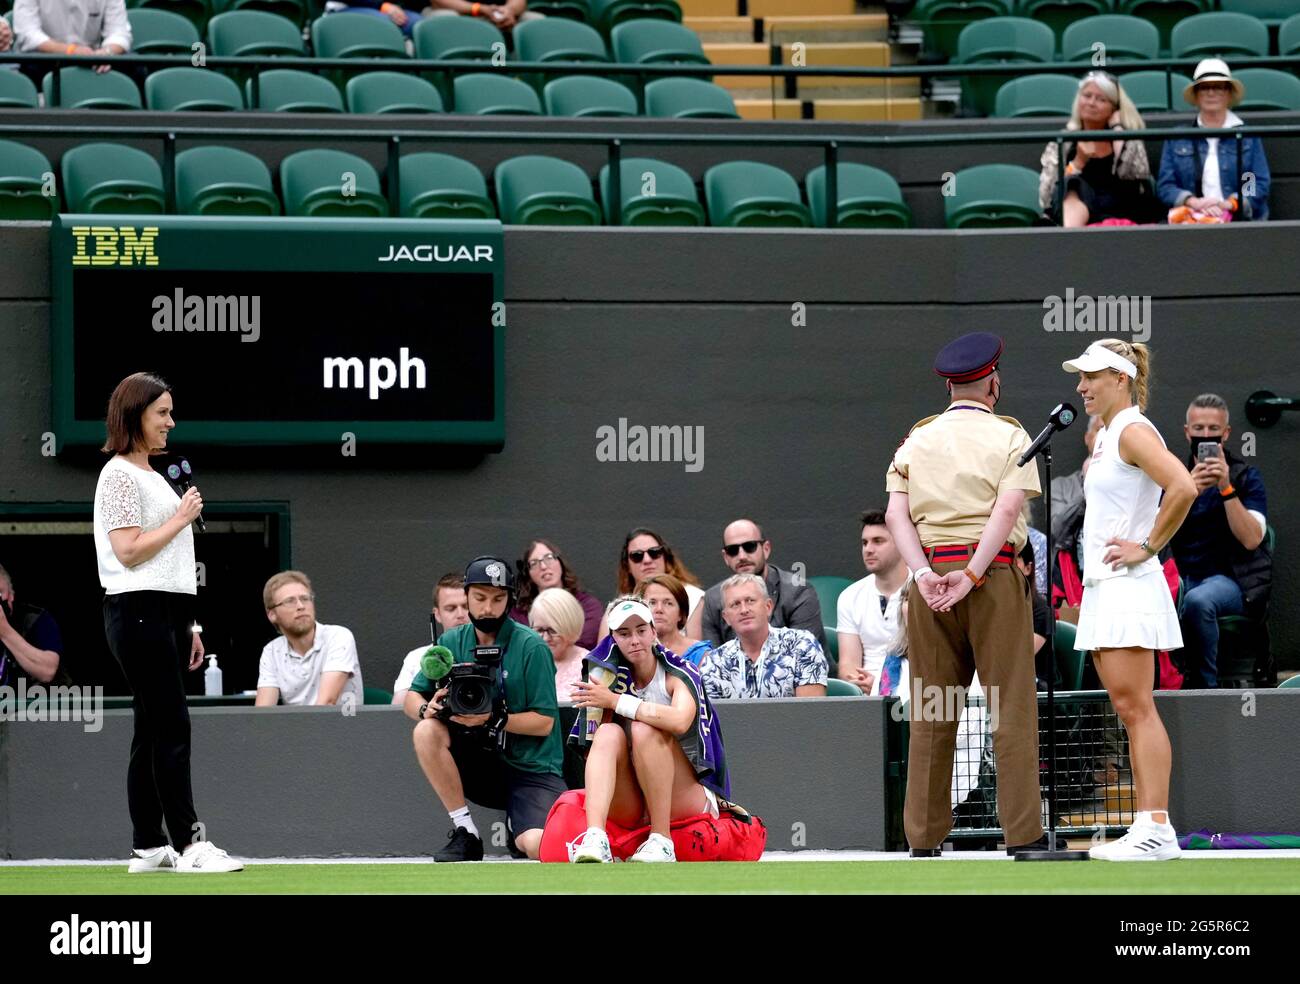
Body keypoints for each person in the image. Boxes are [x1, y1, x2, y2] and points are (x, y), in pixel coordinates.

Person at [884, 331, 1046, 857]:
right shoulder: (1012, 436)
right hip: (992, 576)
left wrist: (924, 574)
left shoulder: (917, 438)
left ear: (950, 385)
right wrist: (973, 575)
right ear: (993, 383)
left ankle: (923, 840)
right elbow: (1005, 512)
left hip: (929, 585)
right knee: (1010, 711)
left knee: (933, 713)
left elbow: (895, 516)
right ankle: (1024, 837)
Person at [94, 372, 242, 874]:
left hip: (166, 612)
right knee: (172, 724)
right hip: (137, 609)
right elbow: (129, 551)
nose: (171, 423)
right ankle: (190, 844)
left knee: (151, 728)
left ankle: (147, 845)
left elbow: (171, 560)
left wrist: (191, 625)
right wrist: (180, 518)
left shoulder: (155, 474)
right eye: (162, 413)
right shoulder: (117, 474)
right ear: (136, 415)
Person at [1062, 338, 1196, 860]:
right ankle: (1149, 826)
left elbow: (1182, 486)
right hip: (1108, 587)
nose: (1081, 386)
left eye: (1090, 376)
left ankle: (1156, 829)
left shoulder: (1133, 431)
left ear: (1119, 379)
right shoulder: (1111, 434)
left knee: (1137, 708)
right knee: (1129, 707)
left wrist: (1147, 547)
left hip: (1127, 586)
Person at [406, 556, 565, 862]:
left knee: (540, 846)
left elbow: (544, 722)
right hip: (478, 762)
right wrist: (429, 708)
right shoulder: (450, 641)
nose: (488, 608)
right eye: (479, 598)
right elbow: (413, 697)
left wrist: (493, 718)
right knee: (426, 730)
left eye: (498, 599)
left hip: (530, 767)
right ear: (466, 598)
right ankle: (466, 831)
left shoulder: (532, 646)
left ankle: (520, 829)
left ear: (510, 600)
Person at [567, 597, 730, 863]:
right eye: (624, 633)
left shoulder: (679, 672)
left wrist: (616, 701)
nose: (635, 640)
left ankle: (662, 841)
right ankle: (595, 837)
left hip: (686, 796)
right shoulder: (602, 674)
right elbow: (590, 750)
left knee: (645, 730)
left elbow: (679, 721)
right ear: (613, 638)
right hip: (635, 799)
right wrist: (607, 704)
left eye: (641, 630)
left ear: (654, 632)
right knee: (607, 734)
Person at [1170, 393, 1270, 689]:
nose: (1205, 436)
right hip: (1181, 576)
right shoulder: (1174, 476)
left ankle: (1205, 689)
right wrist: (1189, 492)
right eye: (1198, 429)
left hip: (1232, 581)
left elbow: (1252, 539)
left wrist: (1226, 488)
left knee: (1198, 601)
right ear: (1186, 431)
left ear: (1225, 434)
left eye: (1213, 430)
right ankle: (1166, 684)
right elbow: (1156, 530)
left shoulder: (1246, 477)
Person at [1038, 71, 1160, 227]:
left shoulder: (1128, 139)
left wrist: (1117, 130)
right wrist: (1078, 163)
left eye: (1101, 99)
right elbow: (1047, 195)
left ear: (1114, 108)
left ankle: (1069, 239)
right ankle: (1071, 234)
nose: (1091, 103)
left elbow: (1133, 176)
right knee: (1073, 183)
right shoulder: (1064, 141)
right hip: (1076, 208)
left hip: (1119, 208)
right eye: (1087, 96)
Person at [1158, 59, 1271, 223]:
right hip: (1189, 222)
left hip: (1239, 222)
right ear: (1196, 95)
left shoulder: (1246, 136)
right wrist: (1194, 202)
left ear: (1229, 94)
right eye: (1204, 88)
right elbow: (1166, 186)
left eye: (1218, 87)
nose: (1211, 93)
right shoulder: (1178, 137)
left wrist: (1229, 204)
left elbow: (1255, 182)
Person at [699, 519, 826, 650]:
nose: (741, 556)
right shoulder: (714, 598)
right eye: (733, 550)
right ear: (726, 557)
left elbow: (803, 654)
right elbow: (713, 659)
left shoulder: (798, 591)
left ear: (766, 549)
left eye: (750, 547)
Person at [699, 574, 827, 699]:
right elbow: (713, 719)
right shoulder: (714, 663)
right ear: (726, 617)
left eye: (750, 601)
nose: (744, 610)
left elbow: (810, 714)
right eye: (735, 604)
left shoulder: (802, 645)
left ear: (768, 607)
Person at [255, 571, 363, 708]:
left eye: (305, 598)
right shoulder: (271, 651)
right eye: (290, 601)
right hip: (297, 728)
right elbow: (263, 712)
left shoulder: (338, 636)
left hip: (342, 726)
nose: (301, 606)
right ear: (272, 615)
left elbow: (326, 704)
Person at [836, 509, 907, 695]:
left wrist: (883, 685)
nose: (868, 549)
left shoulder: (923, 589)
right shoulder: (849, 596)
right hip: (865, 698)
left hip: (914, 690)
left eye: (878, 541)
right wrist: (861, 682)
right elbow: (847, 665)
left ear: (901, 542)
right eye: (864, 542)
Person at [607, 527, 705, 636]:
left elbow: (697, 648)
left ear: (665, 557)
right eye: (637, 555)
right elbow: (603, 651)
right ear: (627, 565)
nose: (647, 560)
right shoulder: (617, 607)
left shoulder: (693, 597)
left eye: (654, 552)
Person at [393, 572, 470, 705]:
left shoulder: (491, 653)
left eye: (466, 607)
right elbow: (397, 708)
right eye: (450, 608)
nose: (460, 614)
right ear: (437, 614)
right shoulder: (416, 657)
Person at [511, 538, 602, 650]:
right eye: (534, 563)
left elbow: (585, 640)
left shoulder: (588, 605)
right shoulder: (519, 615)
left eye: (549, 558)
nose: (543, 566)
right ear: (528, 573)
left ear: (560, 562)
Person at [13, 0, 131, 75]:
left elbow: (119, 32)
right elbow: (27, 33)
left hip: (93, 59)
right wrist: (70, 50)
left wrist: (106, 53)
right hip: (45, 59)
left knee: (135, 67)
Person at [0, 562, 66, 689]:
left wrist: (5, 632)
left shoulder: (36, 619)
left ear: (11, 594)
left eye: (0, 593)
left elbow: (48, 671)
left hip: (41, 703)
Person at [635, 573, 711, 666]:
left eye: (668, 603)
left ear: (681, 614)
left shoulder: (702, 655)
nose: (659, 609)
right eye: (652, 603)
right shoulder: (631, 652)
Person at [529, 586, 588, 699]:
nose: (545, 638)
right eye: (539, 630)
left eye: (553, 630)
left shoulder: (589, 666)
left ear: (570, 626)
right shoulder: (528, 661)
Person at [426, 0, 542, 30]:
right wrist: (479, 9)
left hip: (496, 15)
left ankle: (525, 77)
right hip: (461, 14)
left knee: (534, 20)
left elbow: (519, 2)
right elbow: (439, 2)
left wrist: (509, 11)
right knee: (445, 17)